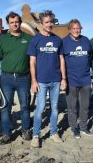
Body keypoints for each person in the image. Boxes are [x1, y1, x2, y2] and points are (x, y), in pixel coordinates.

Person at [0, 11, 32, 145]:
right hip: (6, 79)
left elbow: (34, 59)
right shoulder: (3, 39)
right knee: (5, 107)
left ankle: (25, 130)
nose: (14, 24)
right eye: (12, 22)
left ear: (20, 23)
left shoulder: (28, 38)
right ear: (8, 24)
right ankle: (7, 133)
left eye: (16, 22)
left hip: (24, 78)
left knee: (25, 106)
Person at [27, 10, 67, 148]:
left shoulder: (57, 40)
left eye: (51, 22)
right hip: (41, 81)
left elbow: (61, 60)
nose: (49, 24)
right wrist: (33, 81)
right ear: (41, 23)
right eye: (47, 22)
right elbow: (32, 62)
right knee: (41, 108)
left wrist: (64, 78)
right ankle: (36, 135)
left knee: (55, 108)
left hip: (56, 80)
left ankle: (54, 132)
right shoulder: (35, 40)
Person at [62, 19, 92, 139]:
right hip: (71, 79)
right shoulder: (64, 42)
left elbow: (90, 57)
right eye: (74, 28)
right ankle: (74, 128)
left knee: (85, 105)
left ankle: (83, 127)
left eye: (78, 28)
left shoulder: (86, 41)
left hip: (85, 79)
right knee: (72, 107)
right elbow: (61, 61)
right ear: (69, 30)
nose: (76, 30)